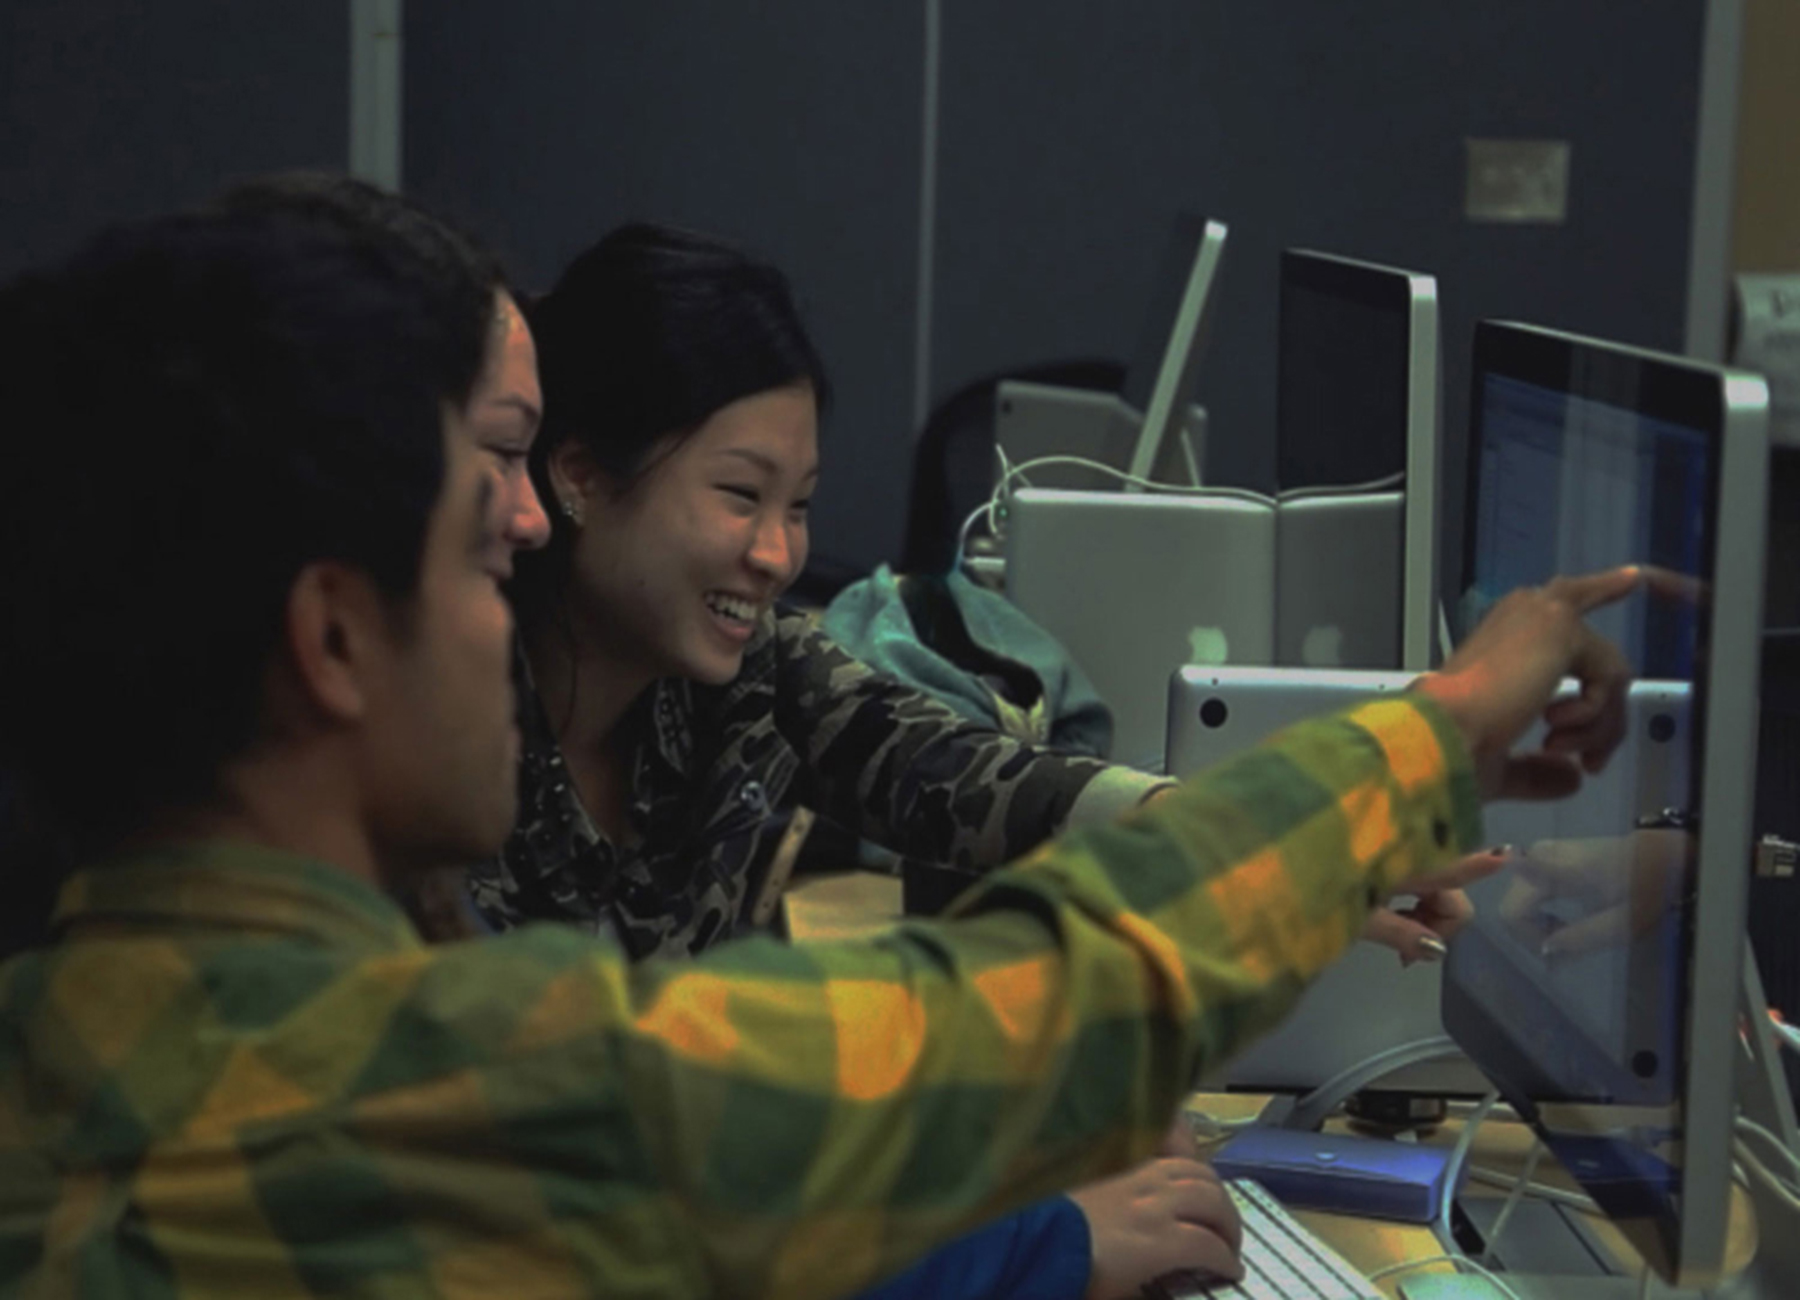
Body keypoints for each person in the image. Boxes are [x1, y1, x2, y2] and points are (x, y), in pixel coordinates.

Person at [0, 180, 1636, 1300]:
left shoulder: (70, 1036)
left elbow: (994, 810)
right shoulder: (432, 1093)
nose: (517, 558)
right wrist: (1444, 721)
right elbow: (1025, 1010)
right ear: (335, 635)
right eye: (477, 540)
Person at [474, 220, 1467, 964]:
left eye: (802, 505)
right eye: (741, 495)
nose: (778, 553)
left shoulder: (756, 679)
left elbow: (986, 782)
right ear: (581, 476)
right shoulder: (441, 719)